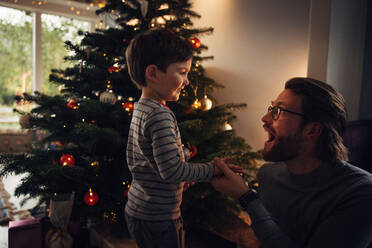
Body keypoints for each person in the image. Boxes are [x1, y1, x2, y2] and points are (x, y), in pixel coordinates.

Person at [212, 77, 372, 248]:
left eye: (278, 111)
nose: (265, 118)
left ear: (312, 130)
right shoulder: (268, 175)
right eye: (271, 108)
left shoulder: (362, 193)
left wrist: (246, 198)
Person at [125, 29, 240, 248]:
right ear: (153, 73)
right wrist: (212, 170)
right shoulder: (159, 114)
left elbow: (144, 158)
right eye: (182, 72)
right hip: (159, 217)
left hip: (139, 209)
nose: (187, 81)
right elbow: (172, 171)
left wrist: (181, 162)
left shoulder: (141, 108)